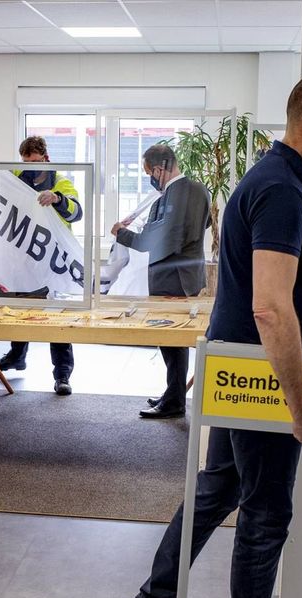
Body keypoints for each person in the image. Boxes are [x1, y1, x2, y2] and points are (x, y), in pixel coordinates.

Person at [119, 71, 302, 598]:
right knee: (266, 511)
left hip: (242, 371)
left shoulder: (281, 181)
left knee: (220, 487)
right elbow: (271, 308)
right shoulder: (280, 189)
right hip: (261, 378)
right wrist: (299, 405)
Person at [111, 145, 210, 419]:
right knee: (173, 341)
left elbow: (157, 241)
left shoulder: (171, 197)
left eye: (148, 173)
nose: (150, 178)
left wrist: (123, 234)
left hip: (172, 277)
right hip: (188, 275)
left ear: (158, 169)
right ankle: (172, 392)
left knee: (171, 340)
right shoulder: (200, 190)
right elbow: (207, 223)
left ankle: (174, 401)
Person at [0, 135, 83, 396]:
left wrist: (57, 199)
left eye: (35, 161)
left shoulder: (61, 182)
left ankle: (63, 374)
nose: (30, 166)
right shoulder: (18, 174)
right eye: (26, 161)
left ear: (46, 159)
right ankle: (17, 355)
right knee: (20, 308)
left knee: (56, 318)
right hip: (23, 258)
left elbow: (77, 213)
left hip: (52, 260)